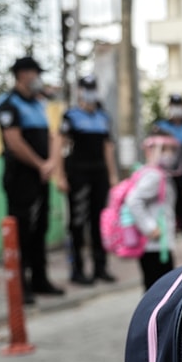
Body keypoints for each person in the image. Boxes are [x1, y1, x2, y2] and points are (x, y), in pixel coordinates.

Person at [0, 56, 64, 304]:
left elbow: (52, 136)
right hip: (21, 177)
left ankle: (40, 279)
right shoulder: (8, 104)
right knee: (21, 231)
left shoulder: (39, 103)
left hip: (41, 177)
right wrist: (40, 164)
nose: (38, 78)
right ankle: (19, 284)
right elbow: (14, 142)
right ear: (22, 74)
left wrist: (51, 165)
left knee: (40, 229)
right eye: (34, 73)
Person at [56, 75, 119, 286]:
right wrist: (60, 175)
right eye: (86, 88)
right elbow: (60, 145)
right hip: (78, 175)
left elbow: (107, 148)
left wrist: (112, 175)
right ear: (80, 90)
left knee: (98, 222)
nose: (90, 92)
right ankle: (77, 269)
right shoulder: (71, 116)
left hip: (99, 174)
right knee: (77, 222)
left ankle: (100, 267)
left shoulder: (103, 116)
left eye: (93, 88)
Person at [125, 128, 180, 290]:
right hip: (155, 246)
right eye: (164, 149)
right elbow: (133, 200)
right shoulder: (154, 176)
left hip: (158, 245)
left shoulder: (157, 173)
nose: (169, 154)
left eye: (171, 149)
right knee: (158, 291)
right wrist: (150, 228)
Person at [154, 93, 182, 248]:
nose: (176, 109)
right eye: (174, 105)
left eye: (179, 105)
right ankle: (168, 247)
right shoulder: (161, 127)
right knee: (169, 213)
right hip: (167, 178)